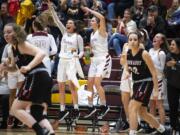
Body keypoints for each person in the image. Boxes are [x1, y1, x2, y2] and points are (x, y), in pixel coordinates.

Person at [3, 23, 54, 135]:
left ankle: (40, 132)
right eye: (4, 33)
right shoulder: (12, 49)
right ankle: (50, 133)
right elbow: (16, 69)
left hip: (37, 76)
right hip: (42, 78)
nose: (6, 35)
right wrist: (6, 68)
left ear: (16, 33)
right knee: (37, 113)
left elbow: (41, 53)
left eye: (9, 32)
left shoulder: (22, 44)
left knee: (15, 109)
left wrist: (29, 66)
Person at [125, 31, 168, 135]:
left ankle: (132, 132)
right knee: (142, 112)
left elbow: (154, 72)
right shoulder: (128, 53)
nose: (132, 42)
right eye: (130, 39)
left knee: (131, 106)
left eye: (135, 39)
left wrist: (157, 90)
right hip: (136, 83)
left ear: (139, 41)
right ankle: (164, 130)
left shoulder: (144, 53)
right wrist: (127, 72)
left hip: (146, 82)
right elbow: (128, 68)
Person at [49, 3, 84, 121]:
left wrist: (77, 57)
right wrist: (51, 8)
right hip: (61, 61)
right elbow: (56, 20)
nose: (67, 24)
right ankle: (62, 110)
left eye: (70, 23)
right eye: (67, 23)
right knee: (61, 86)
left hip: (71, 62)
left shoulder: (78, 37)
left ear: (74, 26)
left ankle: (76, 109)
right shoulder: (64, 32)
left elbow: (82, 52)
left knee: (72, 86)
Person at [81, 7, 112, 119]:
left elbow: (102, 17)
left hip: (103, 59)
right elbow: (91, 52)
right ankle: (90, 106)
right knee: (89, 83)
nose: (91, 21)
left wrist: (89, 10)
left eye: (93, 20)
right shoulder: (91, 34)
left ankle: (104, 106)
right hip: (95, 60)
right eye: (91, 20)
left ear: (98, 23)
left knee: (97, 83)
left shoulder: (101, 31)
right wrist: (87, 54)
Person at [149, 33, 168, 127]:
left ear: (161, 41)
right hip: (151, 80)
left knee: (159, 105)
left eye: (157, 37)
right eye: (154, 36)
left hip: (159, 80)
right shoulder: (150, 50)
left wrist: (151, 64)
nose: (155, 38)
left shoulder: (161, 53)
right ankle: (153, 126)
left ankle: (163, 127)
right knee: (151, 104)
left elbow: (163, 69)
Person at [164, 38, 180, 135]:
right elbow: (165, 71)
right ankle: (174, 127)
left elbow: (176, 65)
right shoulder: (169, 56)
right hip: (172, 85)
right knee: (173, 107)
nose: (171, 46)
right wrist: (168, 67)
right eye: (170, 44)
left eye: (173, 45)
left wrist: (176, 64)